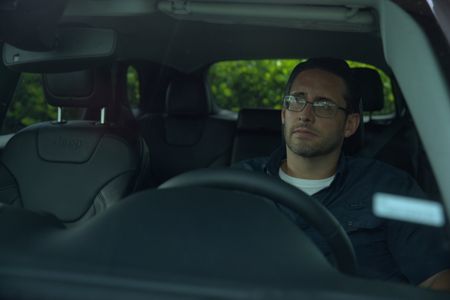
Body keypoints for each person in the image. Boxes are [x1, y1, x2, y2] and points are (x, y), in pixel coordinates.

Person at [234, 58, 450, 290]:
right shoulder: (238, 184)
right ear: (284, 114)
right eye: (296, 100)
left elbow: (438, 279)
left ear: (350, 125)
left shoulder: (390, 189)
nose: (305, 115)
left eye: (324, 105)